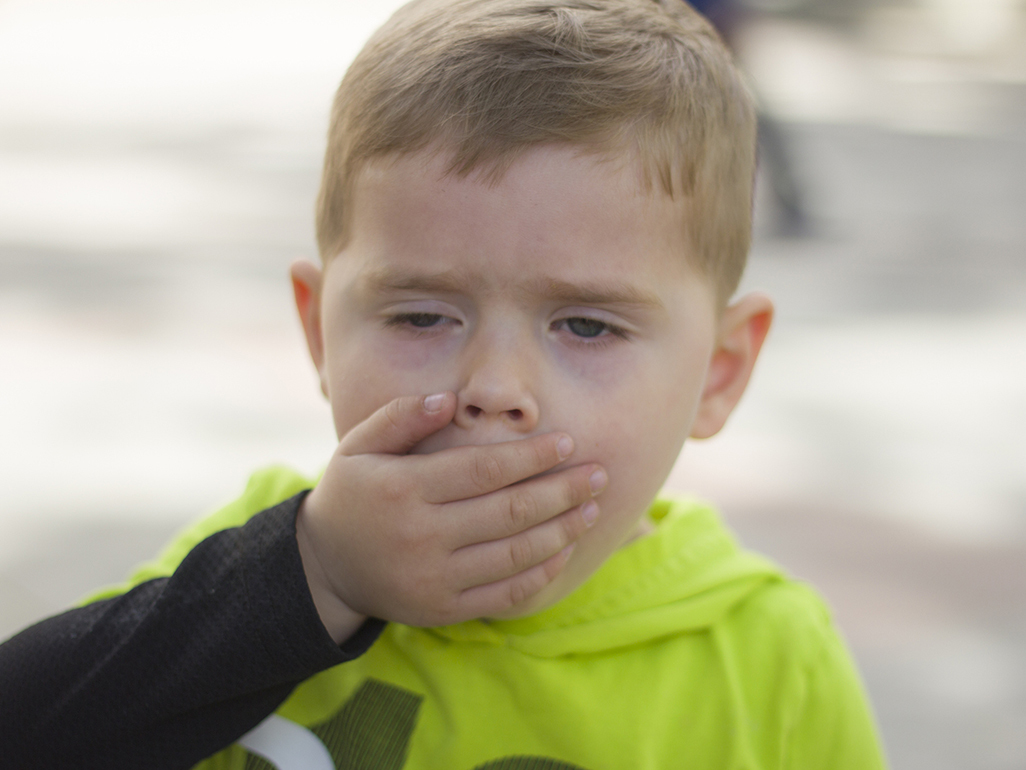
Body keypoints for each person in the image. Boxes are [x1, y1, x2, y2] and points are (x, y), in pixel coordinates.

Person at [0, 0, 885, 767]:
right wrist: (314, 579)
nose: (494, 387)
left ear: (718, 374)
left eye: (587, 325)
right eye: (422, 316)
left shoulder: (770, 660)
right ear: (319, 331)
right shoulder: (268, 559)